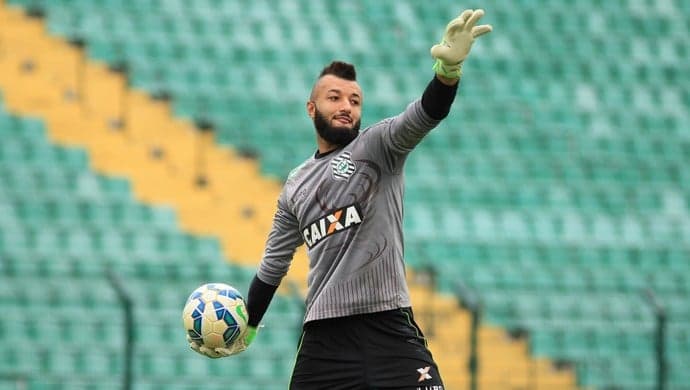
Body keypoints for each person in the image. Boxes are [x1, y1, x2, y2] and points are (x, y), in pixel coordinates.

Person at [189, 8, 492, 389]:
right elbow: (273, 264)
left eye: (355, 100)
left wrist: (446, 76)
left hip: (388, 327)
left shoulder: (379, 145)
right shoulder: (296, 185)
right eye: (335, 97)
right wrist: (247, 326)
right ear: (312, 109)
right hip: (324, 340)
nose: (347, 106)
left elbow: (425, 114)